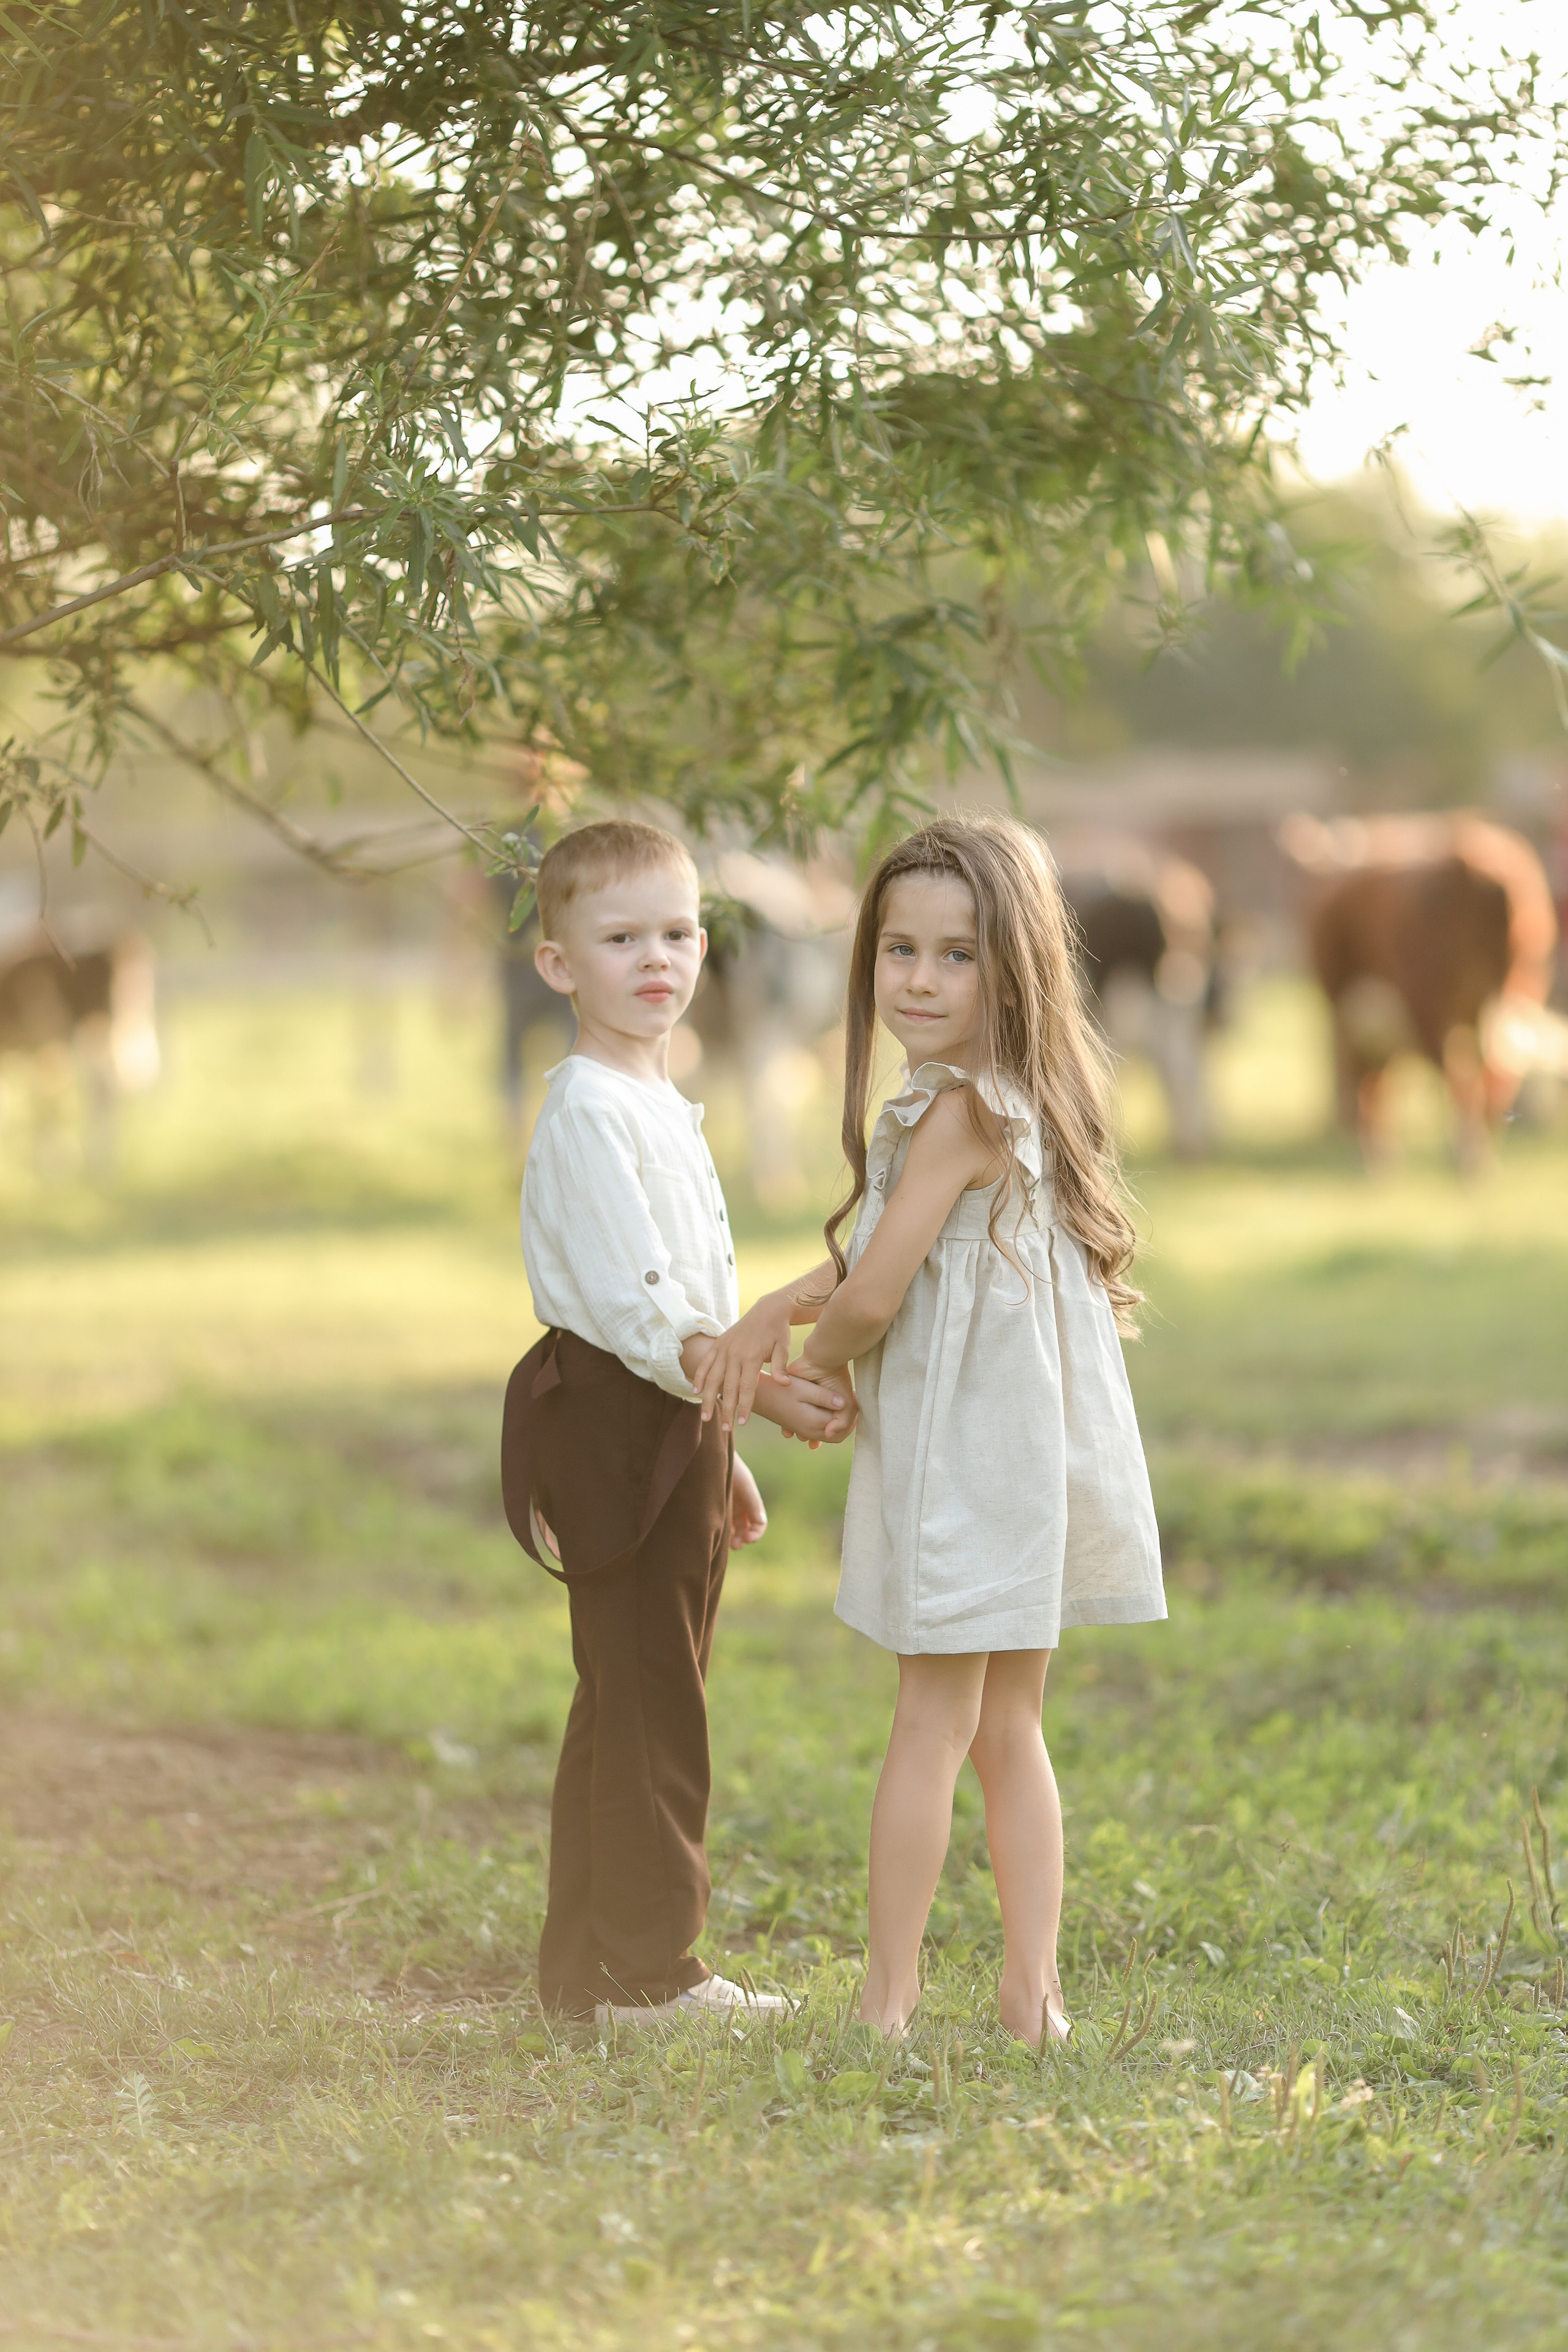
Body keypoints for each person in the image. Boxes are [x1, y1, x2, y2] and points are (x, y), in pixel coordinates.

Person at [695, 812, 1165, 2046]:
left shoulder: (958, 1110)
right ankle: (1031, 1997)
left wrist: (822, 1366)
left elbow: (877, 1287)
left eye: (953, 955)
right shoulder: (1019, 1095)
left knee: (930, 1723)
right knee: (1008, 1728)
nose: (916, 978)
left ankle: (887, 2003)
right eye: (897, 949)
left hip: (969, 1457)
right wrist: (772, 1309)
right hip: (1028, 1454)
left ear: (1008, 967)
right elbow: (884, 1252)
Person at [503, 819, 854, 2028]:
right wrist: (747, 1389)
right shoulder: (591, 1110)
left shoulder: (654, 1093)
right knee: (649, 1699)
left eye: (675, 932)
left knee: (638, 1691)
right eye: (618, 938)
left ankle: (589, 1980)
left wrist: (719, 1453)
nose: (655, 957)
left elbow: (682, 1293)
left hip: (667, 1417)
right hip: (615, 1414)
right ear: (559, 967)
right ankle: (647, 1976)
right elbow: (640, 1307)